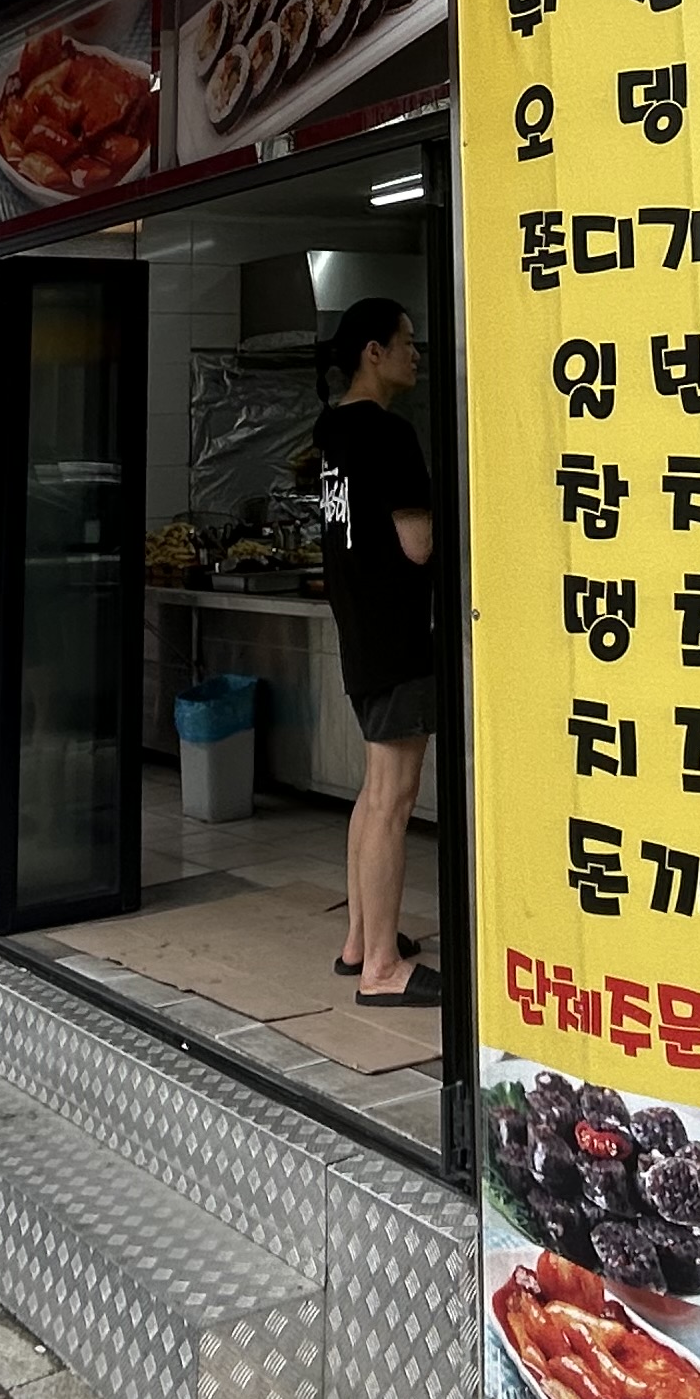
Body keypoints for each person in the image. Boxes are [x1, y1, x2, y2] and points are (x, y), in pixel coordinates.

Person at [313, 297, 441, 1008]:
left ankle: (360, 941)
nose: (414, 355)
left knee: (372, 791)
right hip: (397, 634)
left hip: (359, 631)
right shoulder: (390, 435)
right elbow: (417, 545)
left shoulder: (333, 431)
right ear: (374, 351)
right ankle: (383, 970)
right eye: (406, 341)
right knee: (394, 800)